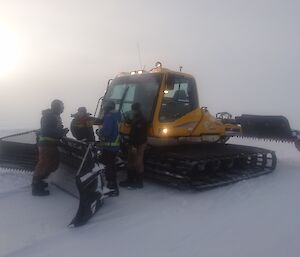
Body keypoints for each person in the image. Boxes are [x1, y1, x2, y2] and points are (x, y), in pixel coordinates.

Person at [32, 99, 69, 196]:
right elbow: (47, 130)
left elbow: (54, 129)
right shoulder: (48, 116)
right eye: (61, 106)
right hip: (46, 144)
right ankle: (36, 187)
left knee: (53, 164)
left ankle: (40, 180)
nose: (63, 108)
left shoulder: (55, 116)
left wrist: (61, 131)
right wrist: (61, 133)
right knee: (43, 164)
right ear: (56, 107)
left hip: (52, 144)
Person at [120, 102, 147, 189]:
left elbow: (139, 135)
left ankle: (139, 182)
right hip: (133, 143)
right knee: (130, 161)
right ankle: (130, 180)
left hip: (139, 144)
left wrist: (135, 146)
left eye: (133, 109)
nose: (132, 111)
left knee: (138, 163)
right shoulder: (136, 118)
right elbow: (131, 124)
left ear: (136, 110)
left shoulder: (141, 120)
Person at [99, 101, 121, 196]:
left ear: (107, 108)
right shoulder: (116, 115)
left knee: (109, 167)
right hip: (114, 146)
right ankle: (111, 185)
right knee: (110, 165)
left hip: (109, 146)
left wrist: (100, 132)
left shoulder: (109, 116)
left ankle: (112, 188)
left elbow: (107, 131)